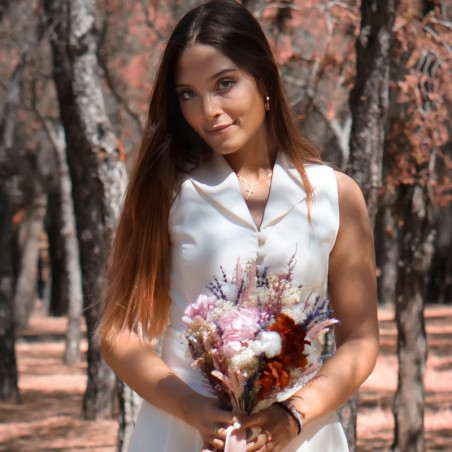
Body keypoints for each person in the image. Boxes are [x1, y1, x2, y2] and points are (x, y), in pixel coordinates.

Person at [98, 0, 379, 451]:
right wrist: (192, 409)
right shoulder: (166, 190)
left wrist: (294, 414)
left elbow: (361, 341)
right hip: (181, 436)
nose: (208, 110)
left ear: (264, 80)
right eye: (187, 94)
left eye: (224, 84)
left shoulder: (336, 195)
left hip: (303, 438)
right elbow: (118, 334)